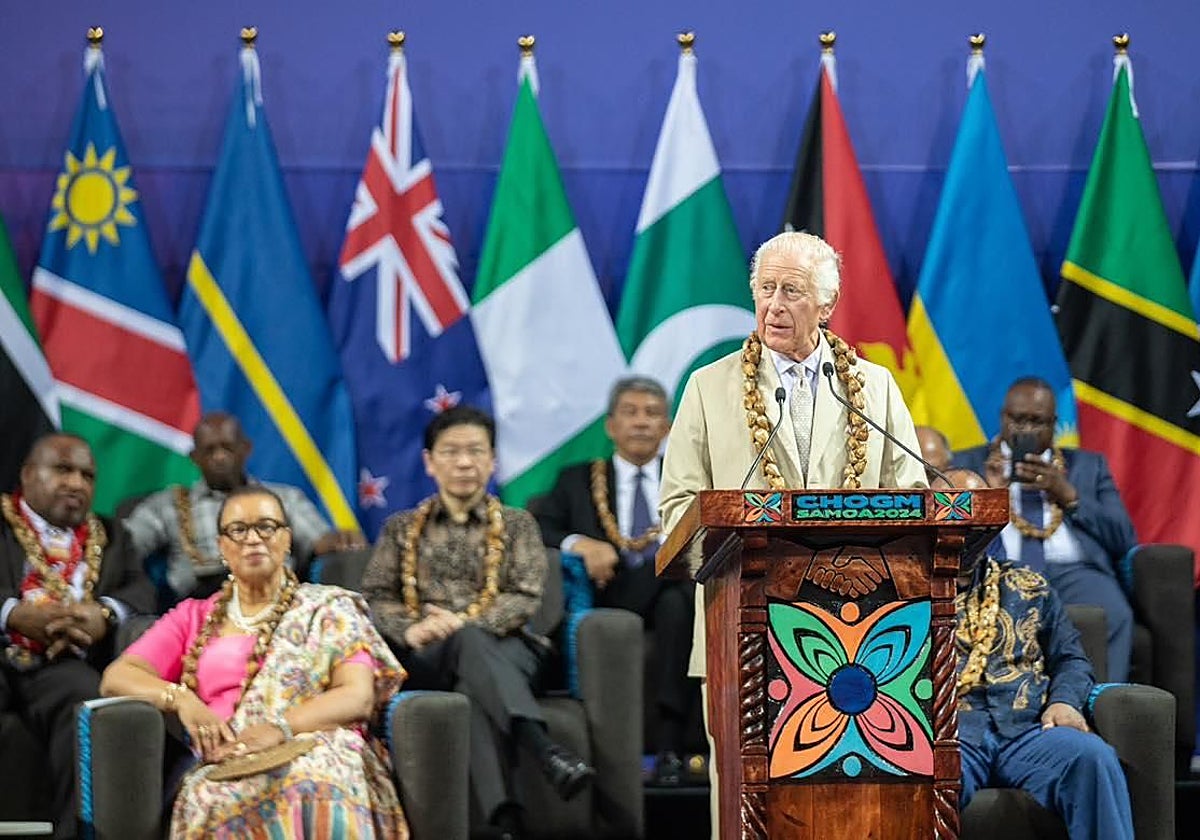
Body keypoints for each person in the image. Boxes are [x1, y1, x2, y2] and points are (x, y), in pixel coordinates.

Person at [659, 230, 927, 833]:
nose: (774, 305)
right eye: (765, 289)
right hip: (742, 625)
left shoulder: (874, 387)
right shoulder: (708, 387)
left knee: (851, 787)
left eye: (792, 291)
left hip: (862, 634)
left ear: (826, 305)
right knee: (745, 788)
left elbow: (912, 497)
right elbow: (677, 509)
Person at [100, 485, 406, 838]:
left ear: (287, 539)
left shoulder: (329, 608)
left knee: (313, 781)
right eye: (238, 530)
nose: (254, 539)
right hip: (229, 760)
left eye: (267, 526)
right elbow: (118, 676)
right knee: (209, 797)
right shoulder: (194, 616)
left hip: (319, 744)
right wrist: (182, 699)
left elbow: (357, 697)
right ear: (221, 546)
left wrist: (279, 730)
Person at [363, 406, 592, 840]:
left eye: (475, 451)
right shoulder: (400, 529)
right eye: (451, 452)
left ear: (492, 460)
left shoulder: (519, 524)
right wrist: (411, 629)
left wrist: (462, 622)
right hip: (428, 655)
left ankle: (505, 822)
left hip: (511, 651)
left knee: (472, 679)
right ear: (430, 462)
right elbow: (375, 598)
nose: (464, 462)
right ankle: (542, 750)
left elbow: (524, 597)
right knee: (464, 646)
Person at [940, 468, 1135, 840]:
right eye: (951, 512)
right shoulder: (906, 595)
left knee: (1093, 758)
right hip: (951, 735)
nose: (964, 527)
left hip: (1028, 729)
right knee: (928, 775)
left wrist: (1064, 702)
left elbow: (1071, 659)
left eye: (974, 513)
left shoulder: (1029, 585)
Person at [531, 376, 696, 785]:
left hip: (669, 606)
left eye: (652, 413)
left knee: (678, 598)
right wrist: (580, 543)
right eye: (631, 412)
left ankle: (670, 747)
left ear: (668, 426)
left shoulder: (688, 483)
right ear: (610, 425)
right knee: (671, 582)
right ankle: (667, 749)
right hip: (605, 596)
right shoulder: (577, 480)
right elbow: (537, 527)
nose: (641, 422)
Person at [0, 433, 154, 838]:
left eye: (87, 475)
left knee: (89, 698)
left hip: (63, 665)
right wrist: (13, 614)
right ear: (28, 474)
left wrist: (104, 614)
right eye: (62, 470)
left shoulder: (112, 533)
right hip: (4, 651)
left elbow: (139, 590)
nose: (76, 483)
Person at [952, 377, 1137, 681]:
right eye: (1017, 419)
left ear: (1053, 424)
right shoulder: (968, 463)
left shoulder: (1088, 467)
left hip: (1073, 572)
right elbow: (951, 536)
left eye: (1036, 421)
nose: (1025, 429)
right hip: (996, 571)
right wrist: (991, 496)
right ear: (1002, 417)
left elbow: (1123, 539)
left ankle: (1105, 708)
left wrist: (1068, 495)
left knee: (1115, 614)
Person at [123, 411, 365, 603]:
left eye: (227, 447)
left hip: (276, 600)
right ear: (195, 457)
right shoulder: (169, 505)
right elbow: (124, 546)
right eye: (209, 450)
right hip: (201, 603)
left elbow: (319, 541)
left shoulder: (283, 498)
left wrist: (340, 541)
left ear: (245, 449)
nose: (219, 457)